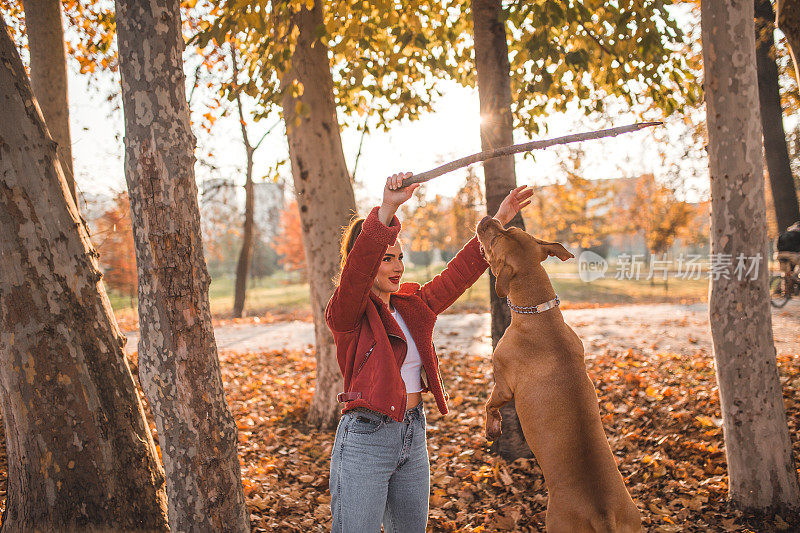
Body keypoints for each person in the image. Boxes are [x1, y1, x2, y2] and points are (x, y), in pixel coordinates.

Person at [325, 172, 533, 532]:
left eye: (400, 257)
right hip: (365, 441)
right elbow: (357, 273)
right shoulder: (347, 316)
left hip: (412, 434)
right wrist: (388, 208)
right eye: (386, 259)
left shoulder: (412, 305)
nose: (398, 267)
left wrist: (496, 223)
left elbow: (458, 274)